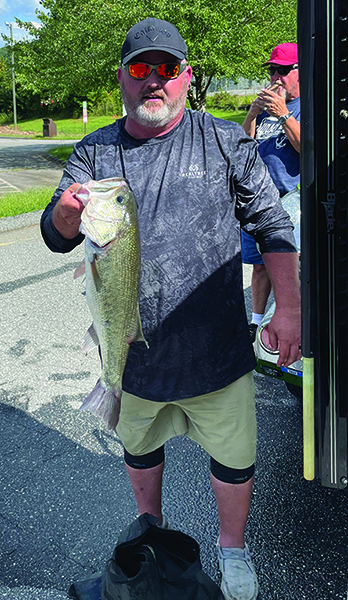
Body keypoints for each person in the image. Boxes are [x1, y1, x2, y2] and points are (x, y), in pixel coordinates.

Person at [40, 18, 301, 600]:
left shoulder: (226, 138)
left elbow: (273, 224)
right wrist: (63, 214)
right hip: (134, 355)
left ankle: (233, 549)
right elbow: (56, 232)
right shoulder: (95, 150)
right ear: (122, 79)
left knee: (234, 461)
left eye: (166, 69)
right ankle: (150, 534)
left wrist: (288, 308)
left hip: (217, 350)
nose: (153, 80)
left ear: (186, 76)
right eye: (140, 69)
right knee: (140, 449)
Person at [242, 43, 300, 343]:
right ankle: (254, 322)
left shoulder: (306, 106)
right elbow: (244, 144)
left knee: (288, 267)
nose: (276, 76)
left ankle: (290, 322)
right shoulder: (266, 109)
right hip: (256, 200)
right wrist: (253, 112)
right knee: (259, 266)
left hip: (289, 202)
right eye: (272, 69)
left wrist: (283, 114)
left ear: (298, 71)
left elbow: (308, 148)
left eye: (282, 70)